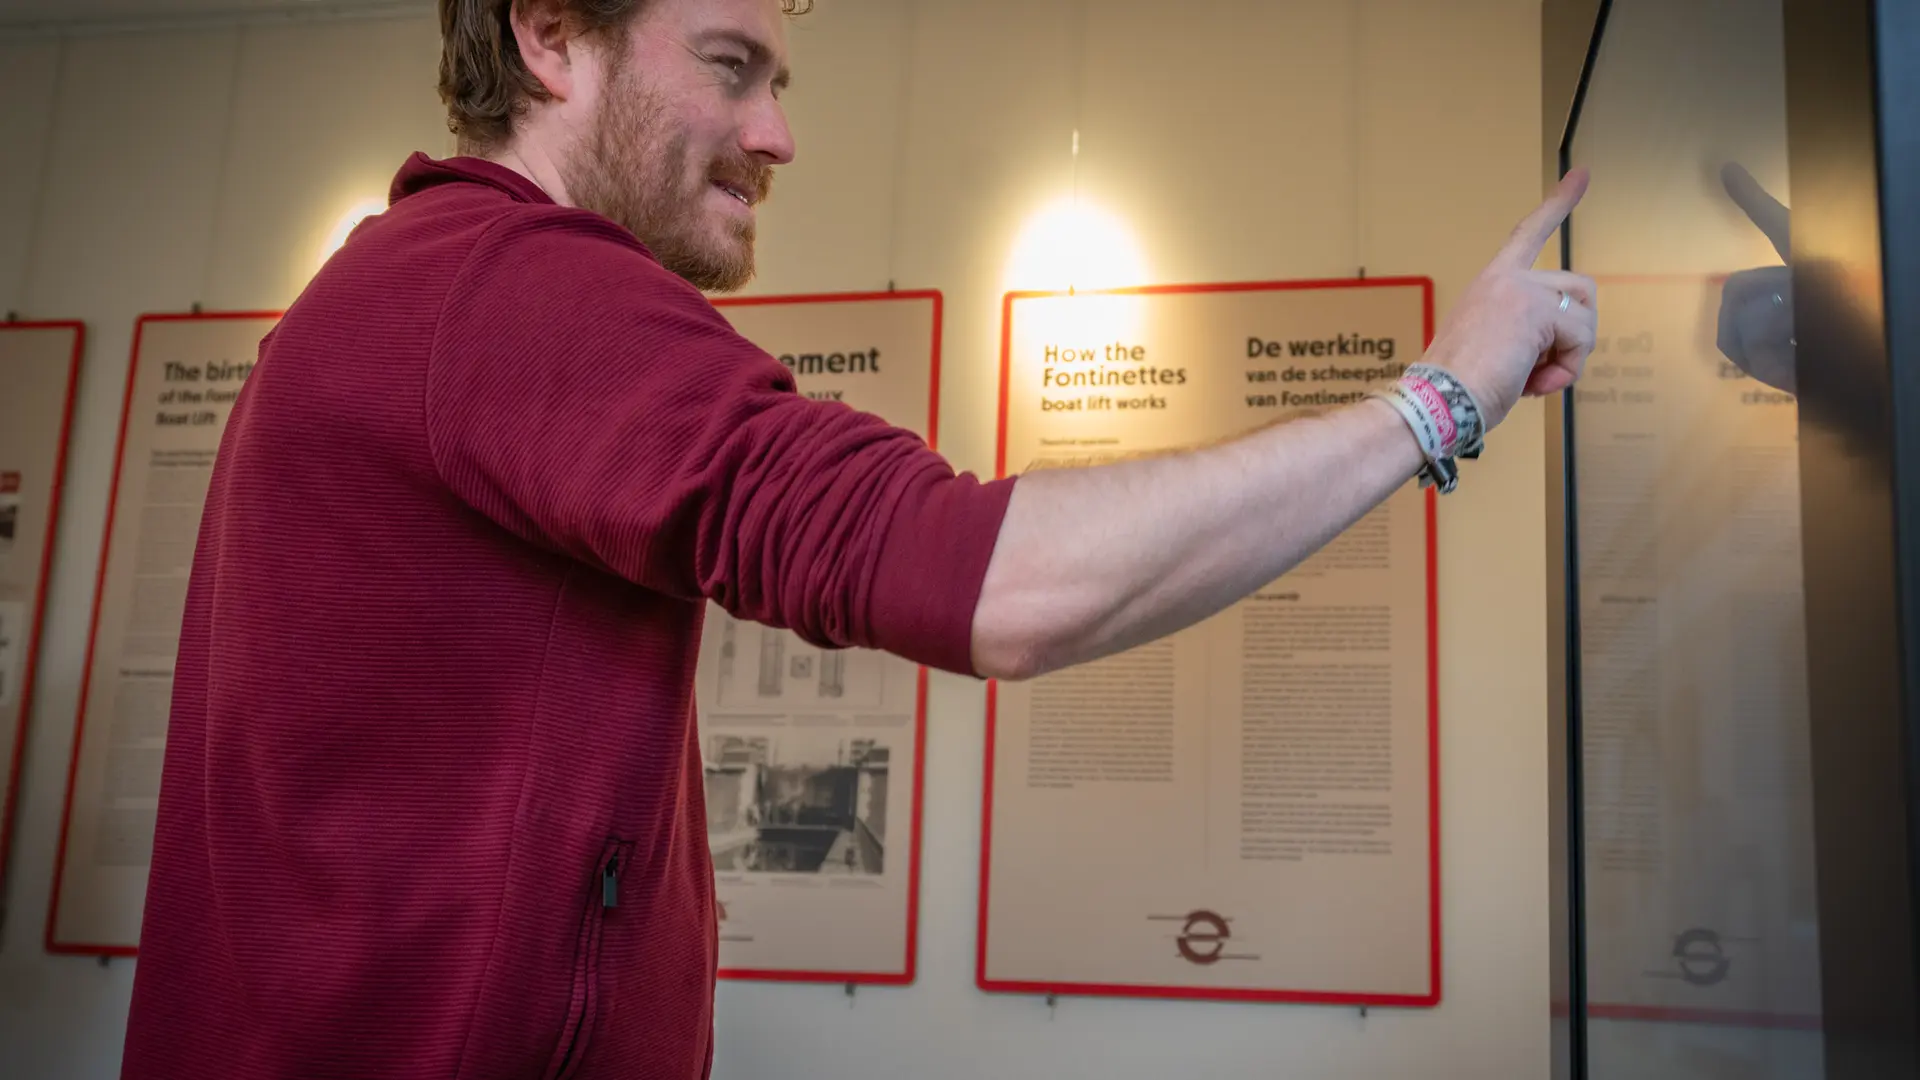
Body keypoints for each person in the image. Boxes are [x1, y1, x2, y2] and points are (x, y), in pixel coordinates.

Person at [118, 0, 1596, 1077]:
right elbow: (995, 583)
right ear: (550, 38)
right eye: (729, 67)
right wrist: (1439, 398)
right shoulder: (505, 282)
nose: (778, 134)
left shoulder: (411, 293)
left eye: (781, 79)